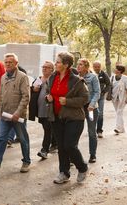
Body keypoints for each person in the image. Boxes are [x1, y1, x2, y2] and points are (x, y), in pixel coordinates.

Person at [0, 53, 31, 174]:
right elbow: (1, 91)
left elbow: (26, 97)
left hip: (17, 116)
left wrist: (18, 113)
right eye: (6, 62)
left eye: (10, 62)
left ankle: (26, 161)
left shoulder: (22, 77)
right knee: (1, 139)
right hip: (5, 114)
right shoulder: (3, 77)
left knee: (23, 139)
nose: (8, 64)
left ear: (16, 64)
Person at [46, 52, 89, 184]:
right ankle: (64, 173)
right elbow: (49, 92)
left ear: (66, 65)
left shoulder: (76, 80)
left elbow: (85, 98)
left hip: (74, 118)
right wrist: (48, 98)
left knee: (70, 145)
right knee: (61, 147)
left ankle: (82, 167)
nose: (55, 64)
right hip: (57, 117)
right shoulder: (53, 77)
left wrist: (68, 102)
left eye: (58, 62)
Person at [29, 61, 57, 159]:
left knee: (47, 129)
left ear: (52, 69)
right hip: (40, 109)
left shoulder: (54, 79)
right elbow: (32, 89)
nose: (44, 68)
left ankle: (44, 150)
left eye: (47, 67)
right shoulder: (39, 79)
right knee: (48, 127)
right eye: (43, 67)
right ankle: (55, 143)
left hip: (50, 109)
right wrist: (34, 89)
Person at [77, 58, 100, 163]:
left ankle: (93, 154)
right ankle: (73, 157)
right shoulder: (75, 77)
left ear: (86, 66)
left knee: (91, 132)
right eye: (78, 64)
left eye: (81, 64)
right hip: (79, 109)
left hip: (91, 109)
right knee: (75, 131)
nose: (78, 66)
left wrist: (91, 104)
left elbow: (97, 92)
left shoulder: (93, 77)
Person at [107, 64, 127, 134]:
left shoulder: (125, 78)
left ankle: (117, 128)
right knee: (118, 113)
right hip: (114, 98)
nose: (115, 69)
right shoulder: (112, 77)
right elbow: (110, 86)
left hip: (123, 98)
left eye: (116, 69)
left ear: (120, 71)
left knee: (119, 112)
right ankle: (122, 129)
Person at [92, 61, 111, 138]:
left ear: (100, 67)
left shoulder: (103, 74)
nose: (97, 68)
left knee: (100, 114)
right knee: (91, 114)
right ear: (93, 67)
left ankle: (99, 131)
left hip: (100, 97)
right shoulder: (90, 74)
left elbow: (109, 84)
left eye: (98, 66)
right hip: (92, 97)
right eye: (95, 66)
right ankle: (92, 130)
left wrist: (103, 92)